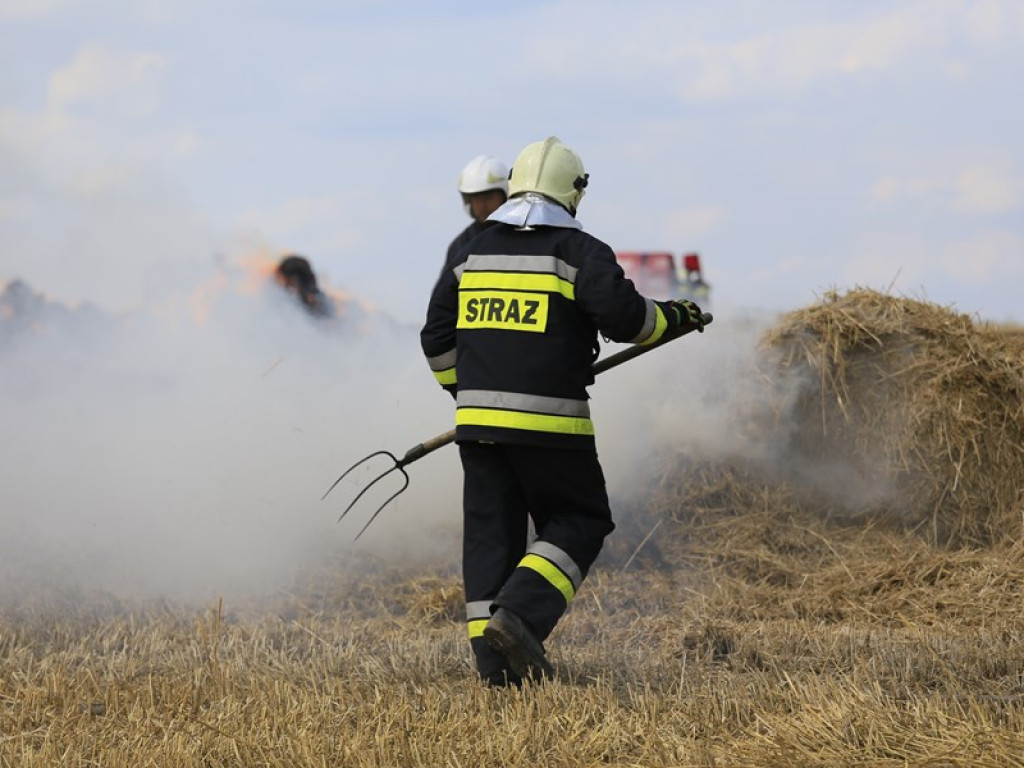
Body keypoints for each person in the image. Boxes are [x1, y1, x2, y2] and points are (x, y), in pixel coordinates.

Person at [420, 136, 705, 687]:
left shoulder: (470, 252)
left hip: (477, 427)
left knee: (490, 539)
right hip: (550, 426)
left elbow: (435, 338)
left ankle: (495, 669)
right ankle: (521, 616)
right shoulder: (579, 251)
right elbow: (628, 321)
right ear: (573, 191)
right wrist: (677, 315)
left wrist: (469, 393)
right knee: (580, 517)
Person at [446, 155, 509, 263]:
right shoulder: (460, 246)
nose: (482, 205)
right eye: (476, 199)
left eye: (488, 197)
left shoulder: (522, 238)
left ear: (504, 196)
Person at [273, 254, 333, 318]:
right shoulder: (313, 296)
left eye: (281, 277)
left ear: (294, 279)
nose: (280, 284)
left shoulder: (311, 298)